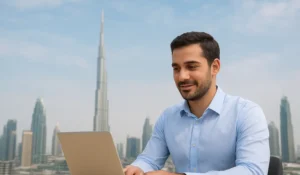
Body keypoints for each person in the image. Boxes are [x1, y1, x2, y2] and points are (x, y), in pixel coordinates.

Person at [123, 32, 270, 175]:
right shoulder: (168, 117)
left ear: (215, 67)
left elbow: (252, 171)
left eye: (192, 67)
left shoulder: (246, 113)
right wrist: (136, 168)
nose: (182, 76)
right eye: (176, 68)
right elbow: (149, 159)